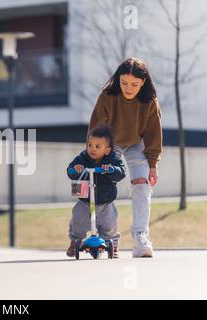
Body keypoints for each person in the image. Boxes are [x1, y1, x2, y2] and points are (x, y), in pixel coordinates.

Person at [89, 57, 163, 258]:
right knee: (103, 183)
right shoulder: (107, 96)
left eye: (134, 84)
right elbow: (96, 129)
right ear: (117, 80)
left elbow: (153, 135)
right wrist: (96, 158)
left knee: (142, 184)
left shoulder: (149, 101)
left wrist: (152, 165)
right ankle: (108, 237)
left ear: (143, 83)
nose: (128, 88)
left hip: (136, 144)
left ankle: (140, 238)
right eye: (124, 83)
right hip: (110, 144)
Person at [66, 124, 126, 258]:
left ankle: (113, 245)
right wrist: (75, 169)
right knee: (78, 220)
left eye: (97, 147)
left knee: (109, 224)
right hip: (85, 200)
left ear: (107, 150)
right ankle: (75, 241)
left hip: (105, 201)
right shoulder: (82, 158)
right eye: (90, 145)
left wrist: (111, 169)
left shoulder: (113, 160)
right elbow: (70, 171)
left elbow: (121, 172)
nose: (92, 149)